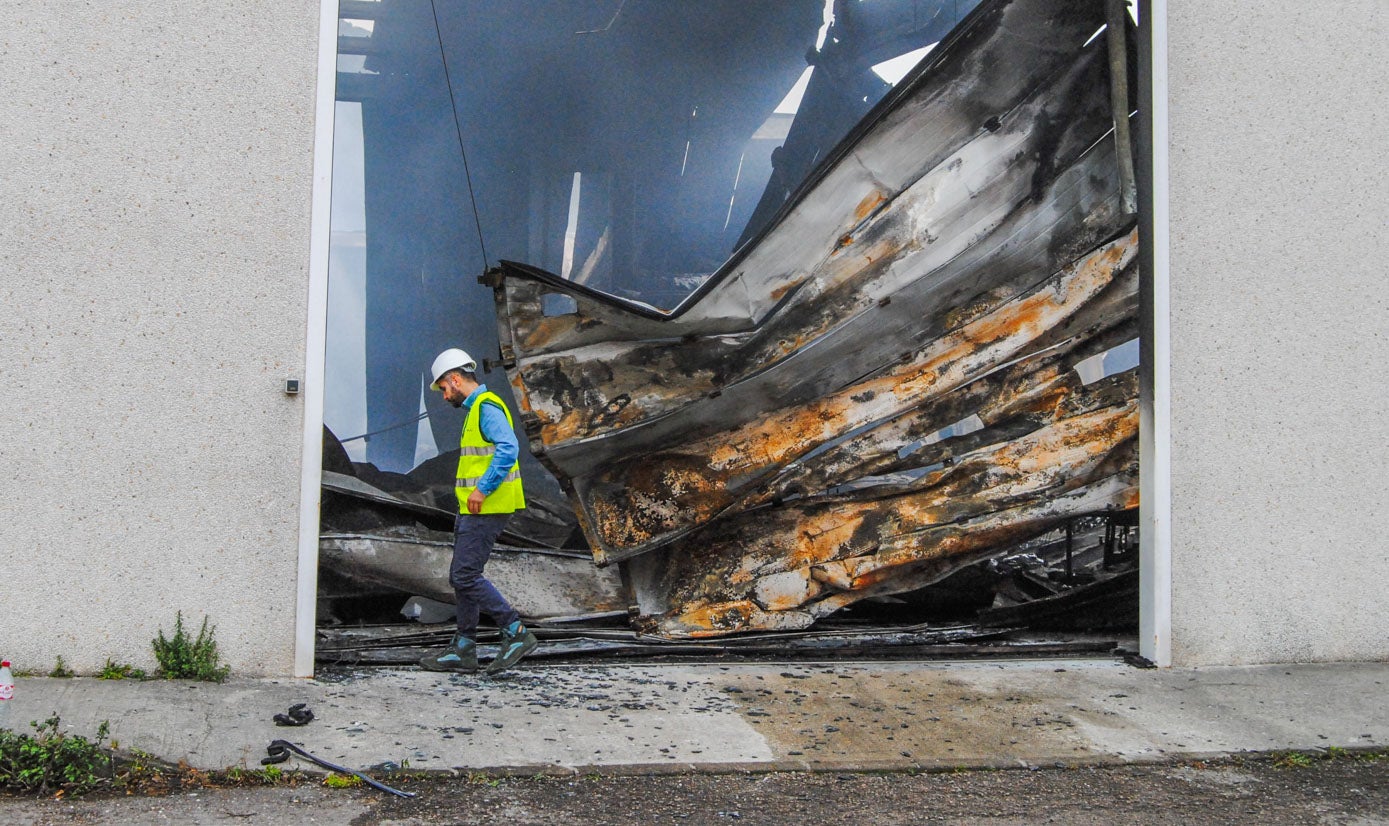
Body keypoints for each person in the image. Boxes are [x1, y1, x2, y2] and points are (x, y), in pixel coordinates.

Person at [419, 348, 539, 674]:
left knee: (464, 575)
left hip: (487, 507)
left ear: (455, 379)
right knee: (462, 578)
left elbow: (509, 448)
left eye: (444, 388)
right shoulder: (476, 411)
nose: (444, 396)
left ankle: (515, 631)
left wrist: (482, 489)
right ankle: (464, 648)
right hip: (476, 508)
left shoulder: (486, 408)